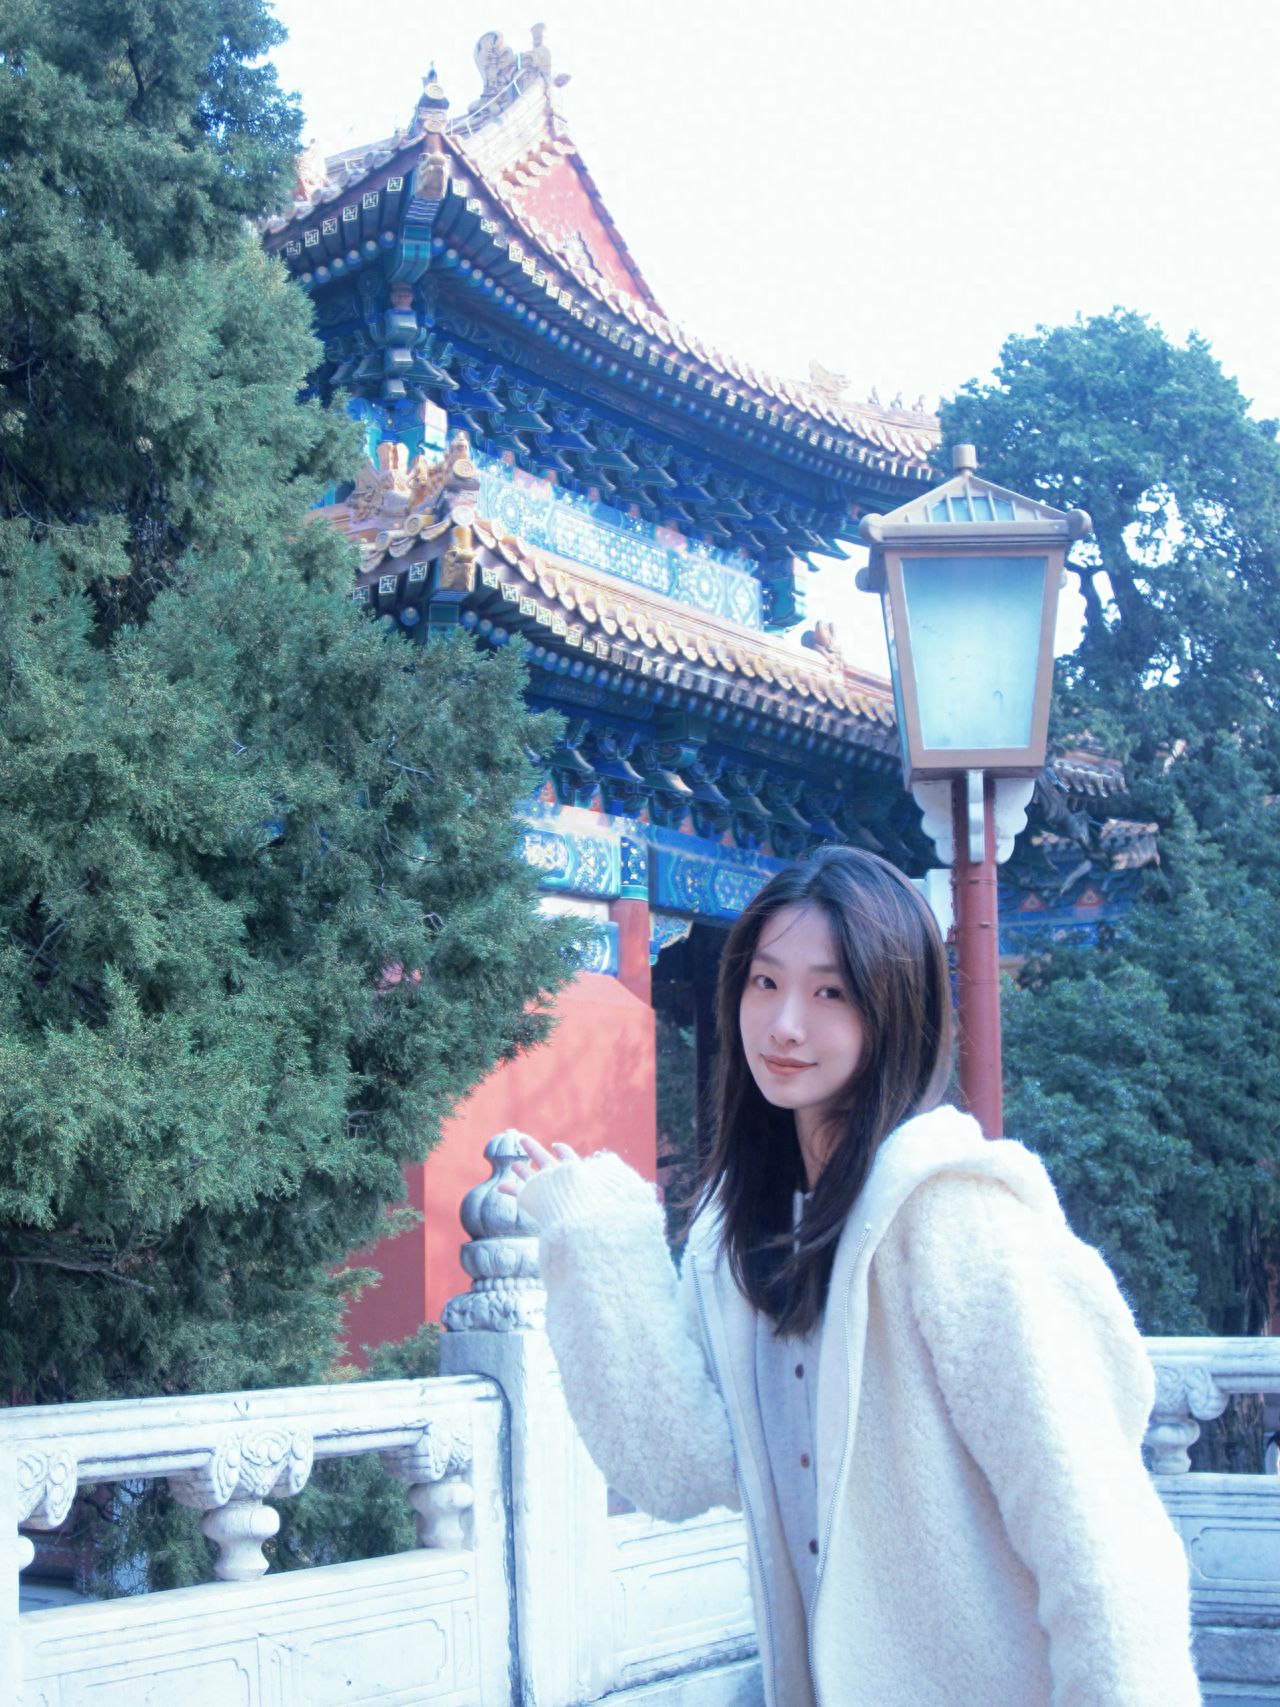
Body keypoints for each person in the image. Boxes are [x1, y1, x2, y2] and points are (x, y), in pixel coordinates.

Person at [502, 845, 1199, 1707]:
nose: (786, 1023)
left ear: (893, 1010)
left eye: (830, 992)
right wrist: (595, 1235)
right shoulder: (742, 1230)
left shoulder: (954, 1218)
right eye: (765, 982)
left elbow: (1101, 1544)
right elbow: (680, 1466)